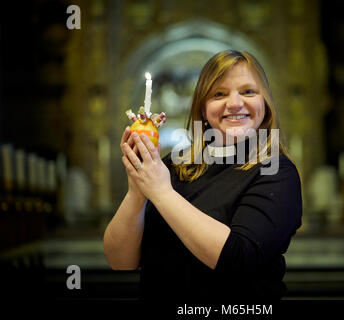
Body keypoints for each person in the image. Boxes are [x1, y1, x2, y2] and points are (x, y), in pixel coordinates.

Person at [103, 50, 302, 303]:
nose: (234, 103)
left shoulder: (275, 171)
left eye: (248, 91)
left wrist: (161, 192)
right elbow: (120, 261)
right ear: (203, 107)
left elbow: (238, 258)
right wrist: (137, 189)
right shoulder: (174, 167)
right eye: (219, 94)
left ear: (265, 103)